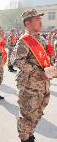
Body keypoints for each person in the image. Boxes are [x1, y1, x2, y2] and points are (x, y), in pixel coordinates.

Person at [11, 9, 55, 142]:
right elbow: (17, 61)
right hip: (30, 86)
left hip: (43, 84)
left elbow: (44, 60)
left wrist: (51, 64)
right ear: (27, 23)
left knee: (38, 113)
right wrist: (38, 72)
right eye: (37, 20)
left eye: (40, 20)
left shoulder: (40, 38)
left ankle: (29, 133)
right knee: (28, 115)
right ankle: (25, 138)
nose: (40, 22)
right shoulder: (25, 41)